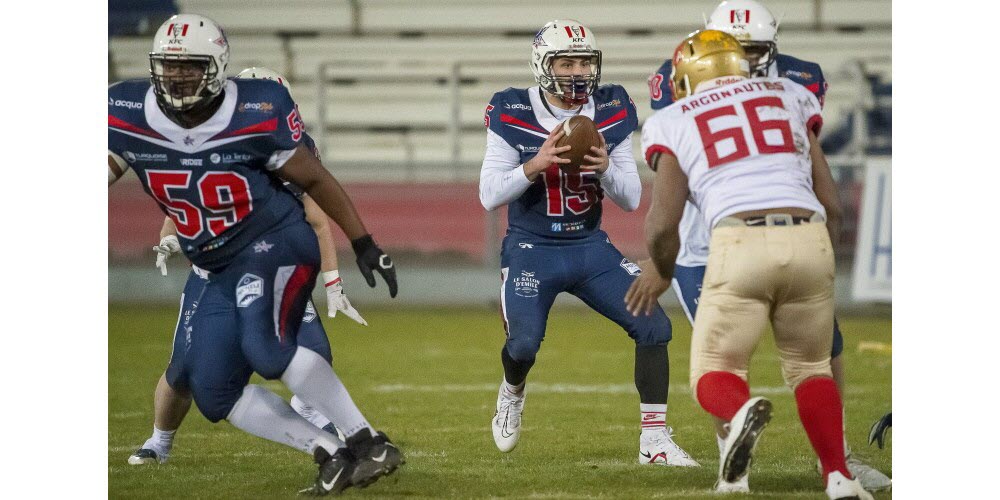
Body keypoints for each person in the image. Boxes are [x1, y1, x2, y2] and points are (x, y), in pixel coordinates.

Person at [109, 14, 398, 495]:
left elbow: (315, 180)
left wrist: (363, 243)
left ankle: (369, 441)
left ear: (218, 67)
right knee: (212, 390)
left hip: (276, 240)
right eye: (168, 66)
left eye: (191, 66)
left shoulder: (257, 107)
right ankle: (330, 455)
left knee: (267, 348)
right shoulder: (125, 111)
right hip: (216, 264)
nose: (177, 77)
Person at [646, 0, 890, 492]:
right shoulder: (790, 94)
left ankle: (740, 425)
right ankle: (836, 476)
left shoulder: (682, 105)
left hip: (734, 236)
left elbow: (662, 217)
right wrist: (827, 251)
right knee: (810, 365)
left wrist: (660, 266)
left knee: (716, 367)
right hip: (806, 232)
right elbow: (831, 199)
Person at [479, 19, 696, 466]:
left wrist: (605, 169)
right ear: (543, 65)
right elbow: (488, 195)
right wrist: (534, 164)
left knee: (654, 325)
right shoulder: (511, 109)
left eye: (584, 62)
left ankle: (654, 442)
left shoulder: (613, 106)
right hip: (531, 249)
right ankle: (512, 392)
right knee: (522, 346)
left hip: (590, 247)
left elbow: (632, 198)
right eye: (567, 62)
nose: (578, 72)